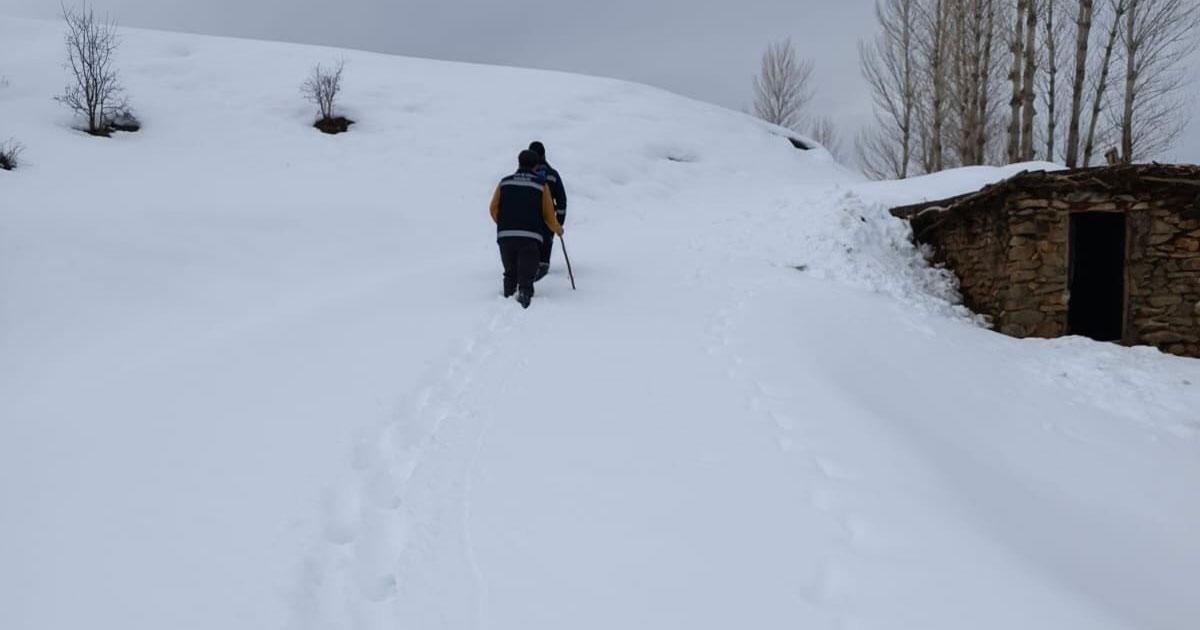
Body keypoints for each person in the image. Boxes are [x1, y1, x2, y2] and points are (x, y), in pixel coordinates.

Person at [489, 150, 563, 308]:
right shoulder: (540, 185)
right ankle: (523, 299)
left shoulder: (504, 182)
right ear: (536, 166)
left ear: (519, 162)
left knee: (510, 271)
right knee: (526, 276)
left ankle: (507, 297)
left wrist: (504, 223)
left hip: (506, 236)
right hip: (530, 237)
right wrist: (558, 229)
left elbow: (493, 208)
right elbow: (548, 216)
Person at [528, 141, 568, 281]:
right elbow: (561, 201)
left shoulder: (523, 175)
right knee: (544, 252)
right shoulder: (552, 174)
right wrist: (558, 223)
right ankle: (542, 270)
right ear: (544, 155)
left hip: (528, 219)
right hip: (547, 221)